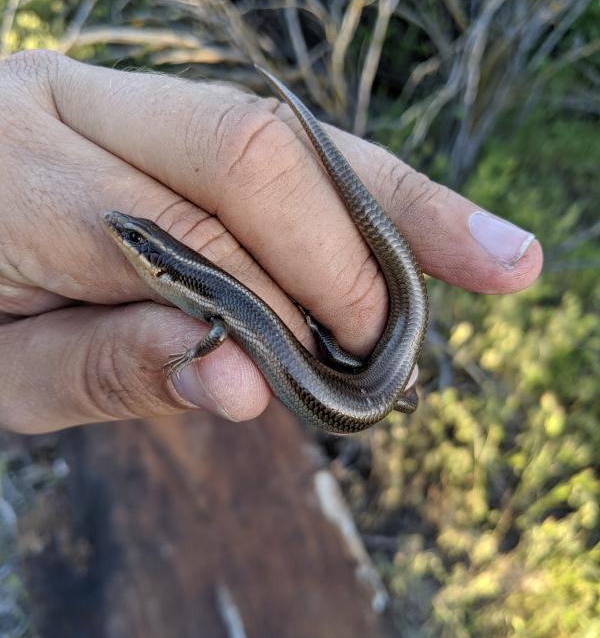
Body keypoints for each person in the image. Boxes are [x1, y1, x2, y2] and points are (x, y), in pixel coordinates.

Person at [0, 50, 542, 434]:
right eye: (130, 234)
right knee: (349, 347)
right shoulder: (203, 290)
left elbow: (217, 331)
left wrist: (196, 353)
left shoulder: (208, 298)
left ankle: (390, 382)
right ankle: (389, 379)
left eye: (133, 236)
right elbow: (221, 320)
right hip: (362, 386)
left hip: (350, 402)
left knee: (347, 353)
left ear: (160, 265)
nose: (119, 229)